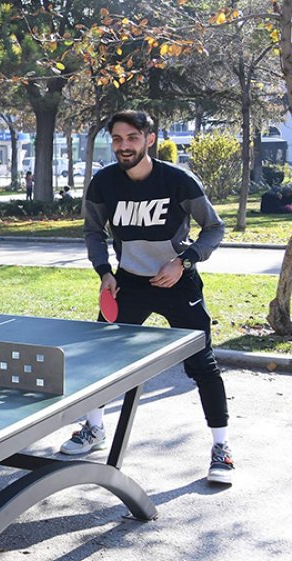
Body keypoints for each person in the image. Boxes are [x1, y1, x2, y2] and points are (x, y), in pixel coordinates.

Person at [63, 109, 233, 484]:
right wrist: (104, 272)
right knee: (100, 358)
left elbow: (214, 229)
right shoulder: (103, 183)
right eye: (118, 139)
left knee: (202, 364)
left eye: (133, 138)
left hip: (178, 284)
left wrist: (184, 262)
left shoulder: (178, 180)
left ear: (149, 139)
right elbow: (94, 232)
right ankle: (94, 429)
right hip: (128, 285)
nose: (125, 146)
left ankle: (221, 448)